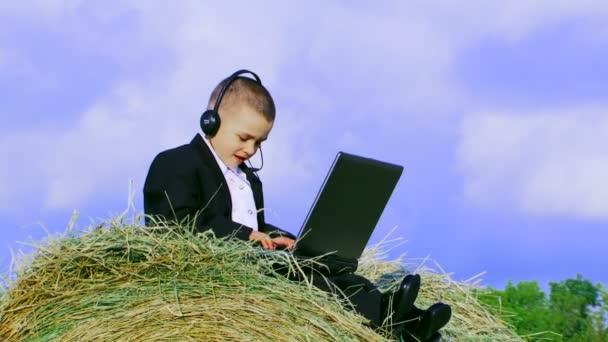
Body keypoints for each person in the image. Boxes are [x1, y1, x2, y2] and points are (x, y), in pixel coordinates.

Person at [143, 70, 451, 341]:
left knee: (322, 262)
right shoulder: (177, 163)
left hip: (254, 259)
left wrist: (291, 239)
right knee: (305, 277)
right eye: (244, 137)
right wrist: (247, 237)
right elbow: (173, 225)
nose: (250, 149)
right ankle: (384, 319)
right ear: (211, 121)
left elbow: (257, 227)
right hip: (215, 272)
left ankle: (409, 320)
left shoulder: (247, 179)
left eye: (259, 142)